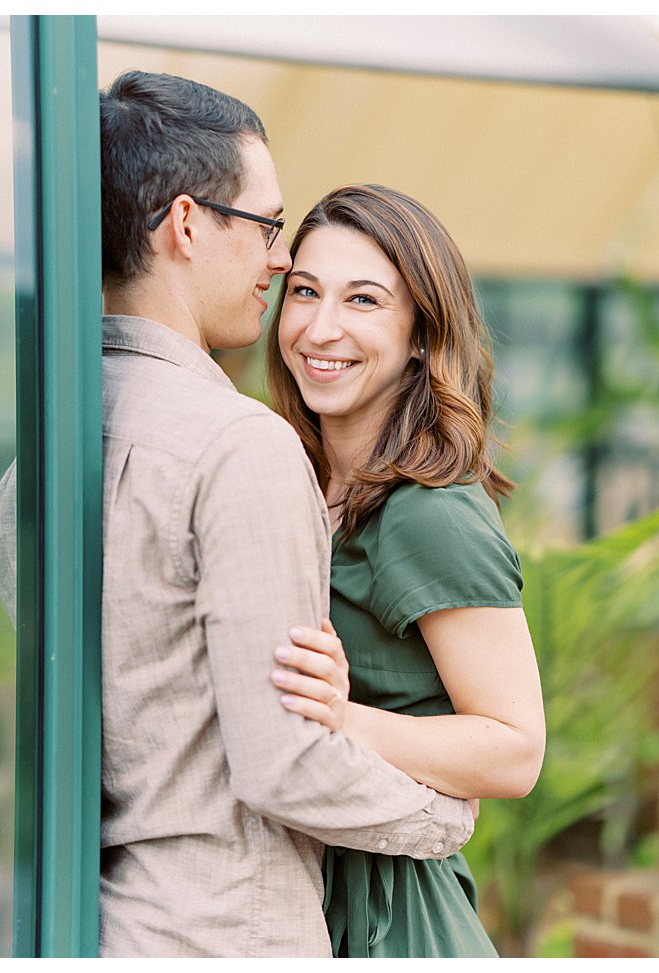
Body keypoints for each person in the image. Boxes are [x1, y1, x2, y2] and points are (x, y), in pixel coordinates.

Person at [55, 69, 478, 957]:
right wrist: (443, 816)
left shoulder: (50, 436)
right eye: (268, 227)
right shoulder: (239, 445)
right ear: (183, 224)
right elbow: (286, 762)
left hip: (96, 924)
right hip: (223, 930)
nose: (280, 261)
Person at [262, 184, 545, 956]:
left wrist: (342, 718)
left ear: (421, 332)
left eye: (364, 300)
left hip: (397, 919)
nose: (322, 328)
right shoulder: (302, 479)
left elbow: (517, 748)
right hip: (298, 897)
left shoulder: (428, 511)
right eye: (305, 292)